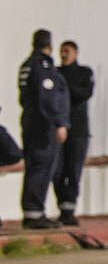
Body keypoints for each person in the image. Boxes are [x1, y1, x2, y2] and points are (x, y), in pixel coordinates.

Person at [16, 29, 71, 230]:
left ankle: (33, 211)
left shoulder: (27, 64)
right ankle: (34, 213)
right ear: (49, 46)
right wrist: (58, 123)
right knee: (41, 167)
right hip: (43, 126)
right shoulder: (43, 65)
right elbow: (47, 98)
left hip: (31, 122)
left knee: (35, 166)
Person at [55, 41, 93, 226]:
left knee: (73, 170)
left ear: (76, 53)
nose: (64, 54)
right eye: (62, 51)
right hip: (59, 128)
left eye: (67, 51)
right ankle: (62, 206)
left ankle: (69, 209)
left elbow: (84, 93)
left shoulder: (84, 72)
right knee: (58, 171)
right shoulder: (55, 72)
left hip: (78, 130)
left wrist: (64, 87)